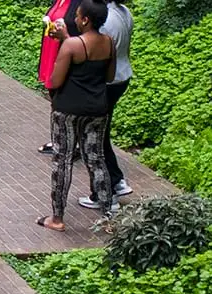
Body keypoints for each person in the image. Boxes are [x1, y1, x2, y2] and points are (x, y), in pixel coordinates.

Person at [36, 0, 117, 232]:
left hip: (67, 109)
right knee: (96, 159)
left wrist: (65, 42)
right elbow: (109, 76)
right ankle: (108, 217)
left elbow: (56, 80)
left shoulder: (72, 45)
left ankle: (57, 218)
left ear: (84, 20)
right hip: (97, 109)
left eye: (78, 16)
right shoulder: (109, 43)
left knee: (62, 160)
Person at [78, 0, 134, 210]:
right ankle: (117, 180)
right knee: (102, 132)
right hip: (121, 76)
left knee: (94, 137)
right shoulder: (123, 12)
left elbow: (95, 50)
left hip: (107, 81)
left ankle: (104, 192)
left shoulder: (106, 20)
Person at [37, 0, 84, 156]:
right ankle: (59, 139)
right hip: (51, 52)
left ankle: (72, 144)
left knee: (64, 99)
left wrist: (64, 33)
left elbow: (79, 32)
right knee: (55, 98)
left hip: (63, 54)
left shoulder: (80, 3)